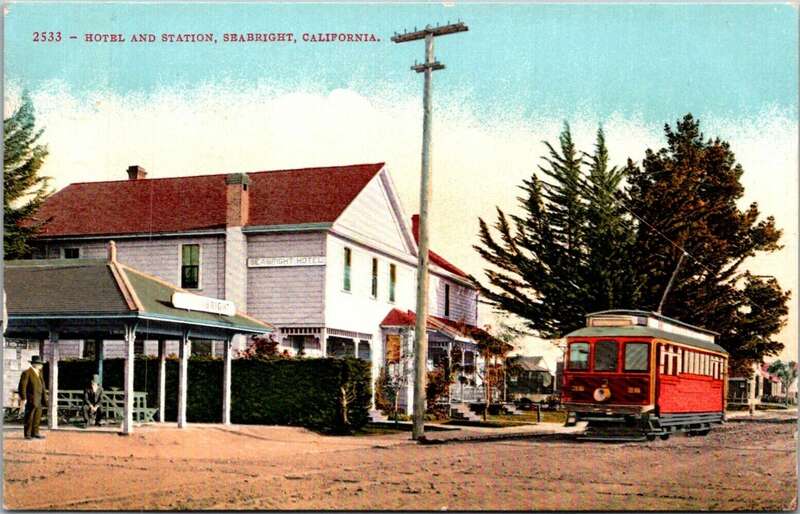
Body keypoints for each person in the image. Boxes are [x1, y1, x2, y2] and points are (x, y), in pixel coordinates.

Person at [17, 355, 47, 440]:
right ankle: (28, 434)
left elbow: (42, 387)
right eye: (40, 364)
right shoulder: (27, 373)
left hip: (39, 399)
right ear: (34, 364)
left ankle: (35, 433)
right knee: (29, 417)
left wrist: (44, 398)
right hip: (31, 399)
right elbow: (22, 386)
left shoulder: (39, 373)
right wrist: (24, 398)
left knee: (37, 417)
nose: (41, 365)